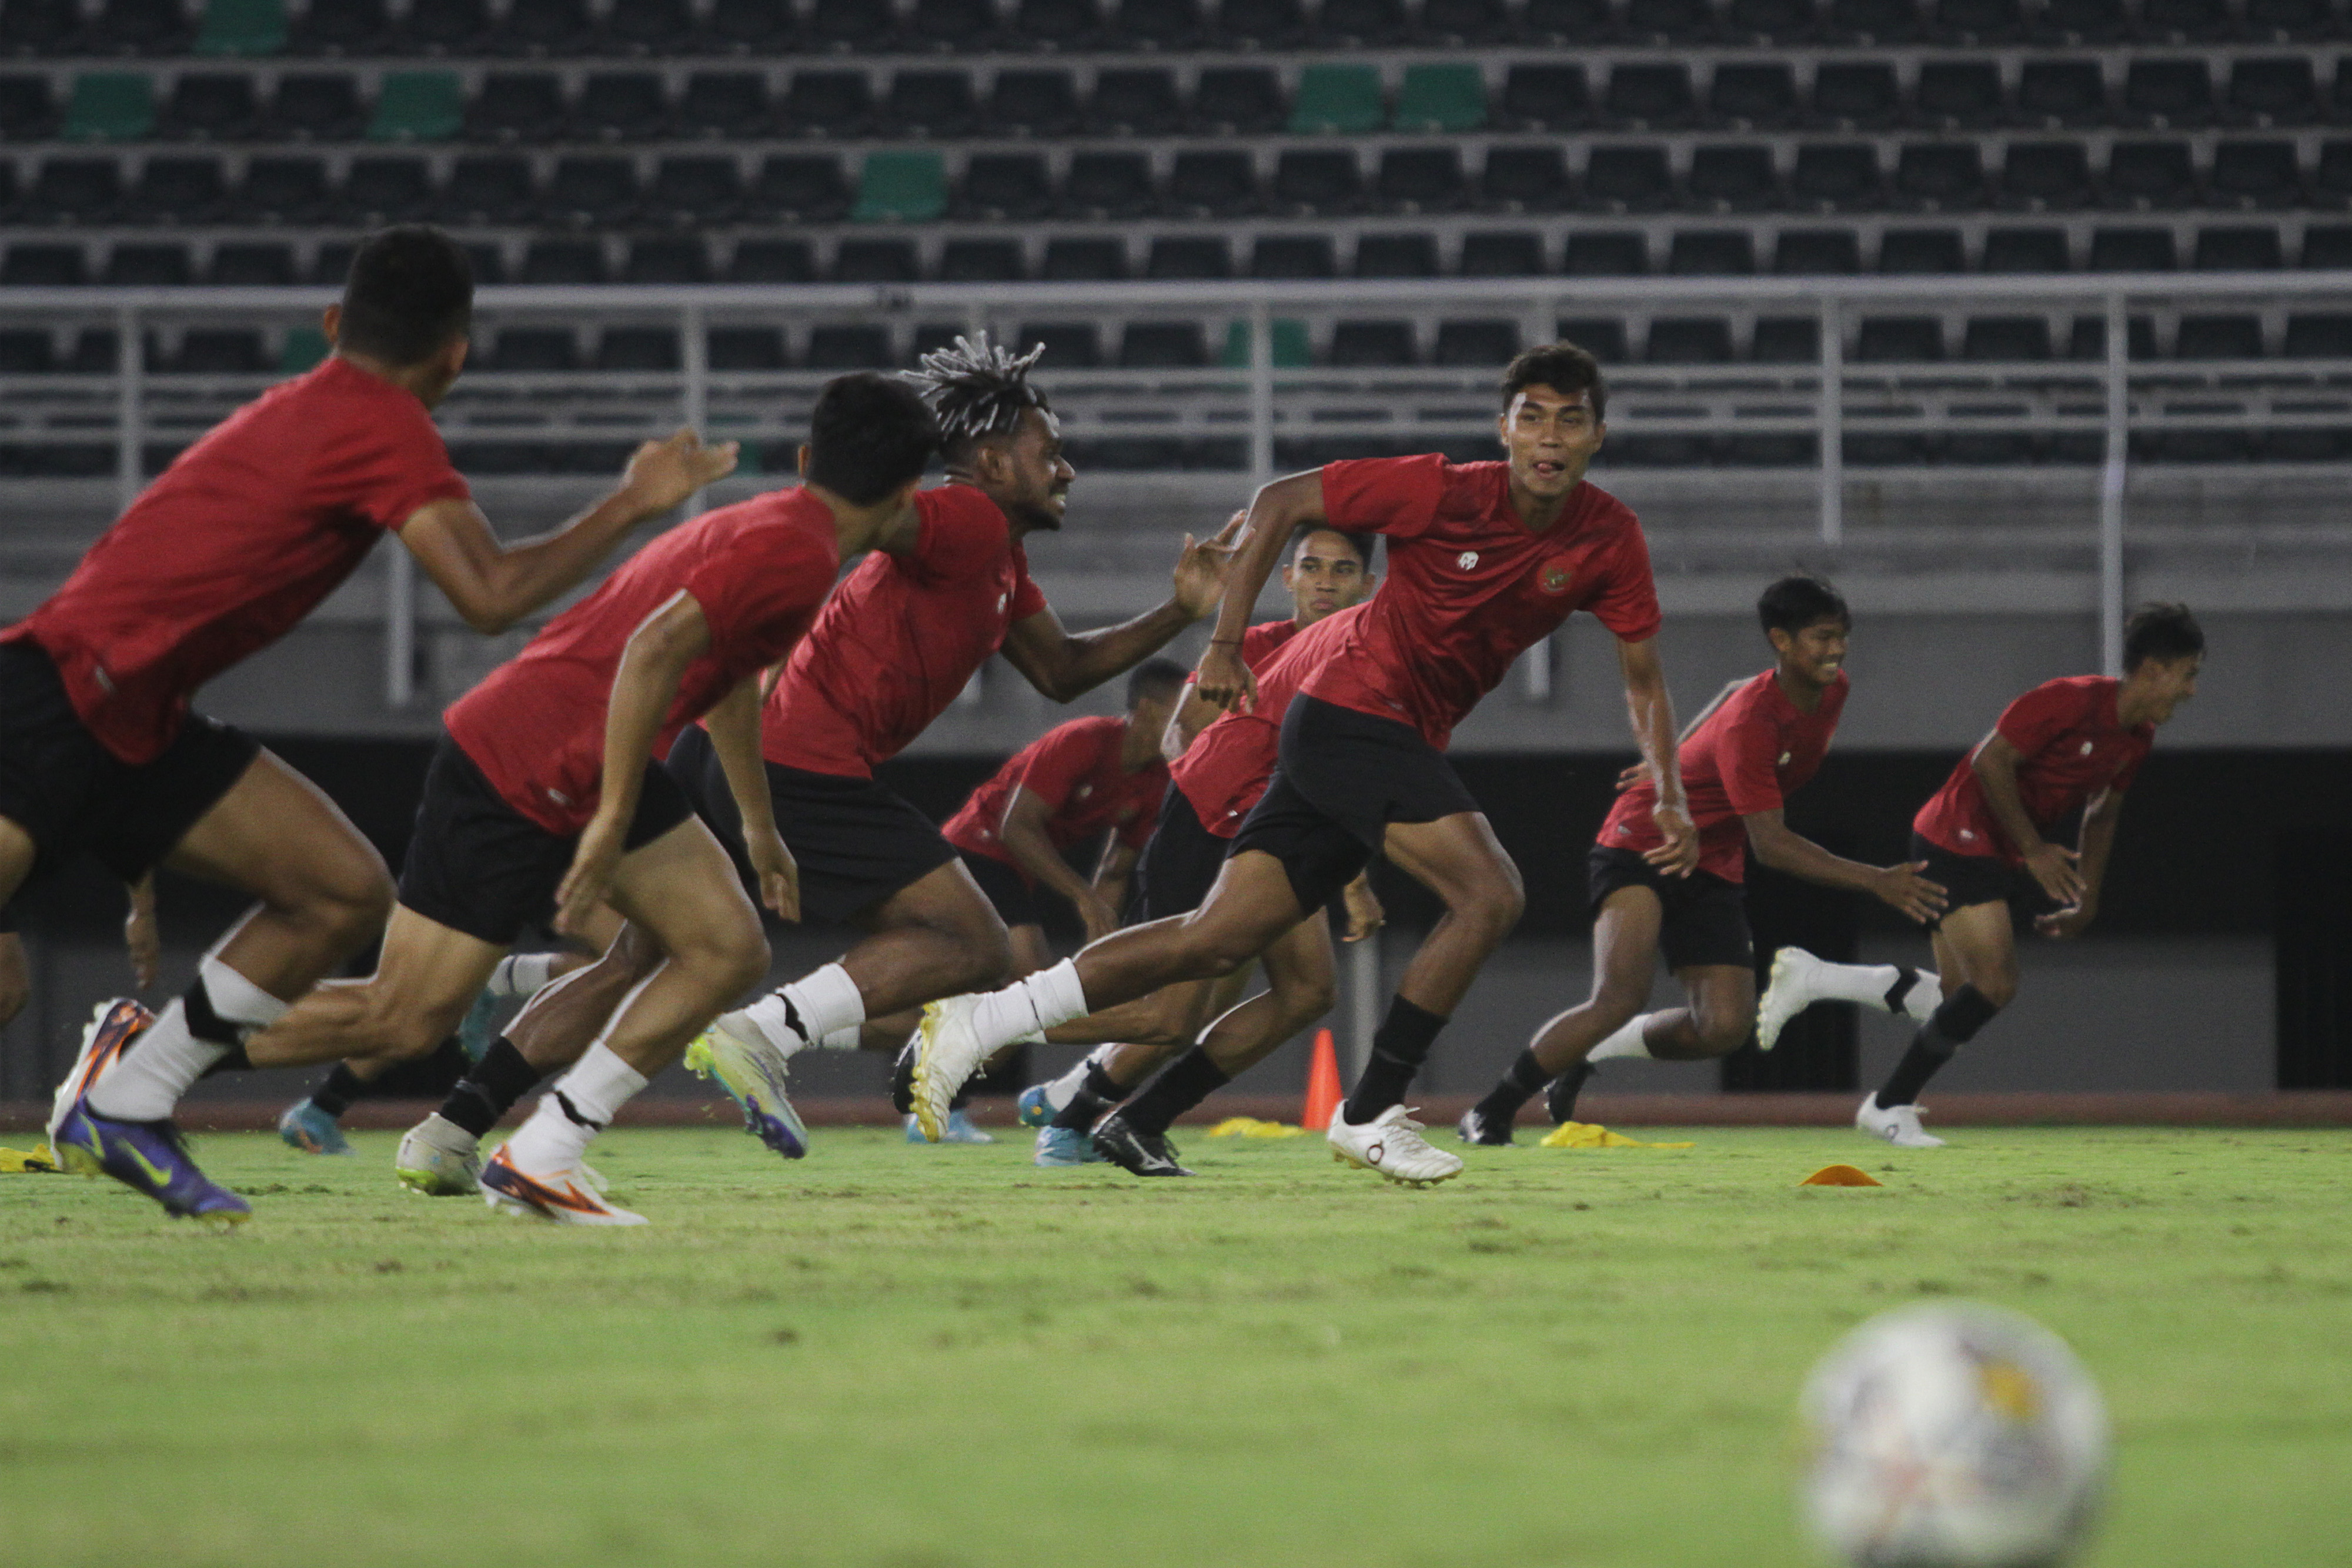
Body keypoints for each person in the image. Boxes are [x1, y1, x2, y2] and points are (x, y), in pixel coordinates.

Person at [393, 332, 1235, 1183]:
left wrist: (1177, 610)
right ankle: (761, 1034)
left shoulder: (999, 556)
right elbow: (871, 512)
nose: (1066, 469)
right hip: (800, 757)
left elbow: (1061, 671)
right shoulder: (966, 514)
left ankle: (453, 1124)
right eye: (1048, 451)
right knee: (972, 942)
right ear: (988, 458)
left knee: (639, 958)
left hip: (730, 744)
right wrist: (832, 502)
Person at [31, 225, 735, 1223]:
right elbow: (489, 595)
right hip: (63, 701)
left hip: (126, 707)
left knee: (344, 895)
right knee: (389, 981)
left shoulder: (302, 411)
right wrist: (633, 502)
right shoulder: (380, 422)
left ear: (331, 323)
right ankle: (138, 1067)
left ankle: (132, 1087)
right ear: (456, 352)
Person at [908, 340, 1699, 1188]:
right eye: (1531, 416)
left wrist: (1671, 788)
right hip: (1353, 716)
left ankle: (989, 1027)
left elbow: (1643, 675)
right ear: (1501, 428)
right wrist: (1219, 643)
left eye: (1569, 420)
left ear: (1597, 437)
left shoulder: (1610, 536)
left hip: (1370, 736)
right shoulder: (1441, 489)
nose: (1549, 437)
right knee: (1490, 893)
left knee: (1215, 943)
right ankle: (1369, 1111)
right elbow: (1281, 498)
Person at [213, 372, 940, 1224]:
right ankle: (157, 1047)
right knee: (403, 1018)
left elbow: (728, 674)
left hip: (572, 750)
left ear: (808, 456)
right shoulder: (797, 552)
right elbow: (651, 651)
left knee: (725, 945)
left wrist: (757, 819)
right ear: (906, 495)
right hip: (531, 759)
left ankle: (538, 1149)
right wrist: (605, 819)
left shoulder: (780, 529)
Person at [1458, 576, 1948, 1144]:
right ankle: (1491, 1110)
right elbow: (1772, 844)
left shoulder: (1828, 690)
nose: (1836, 649)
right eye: (1821, 637)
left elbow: (1733, 686)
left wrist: (1673, 755)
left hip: (1712, 858)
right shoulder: (1754, 724)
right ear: (1781, 641)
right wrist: (1877, 880)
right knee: (1618, 995)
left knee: (1724, 1029)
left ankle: (1590, 1052)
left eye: (1842, 636)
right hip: (1645, 839)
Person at [1758, 602, 2205, 1149]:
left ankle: (1816, 977)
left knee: (1956, 999)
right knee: (1995, 984)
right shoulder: (2068, 700)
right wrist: (2036, 849)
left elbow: (2103, 812)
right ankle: (1888, 1104)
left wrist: (2087, 897)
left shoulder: (2137, 737)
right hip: (1957, 834)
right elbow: (1990, 763)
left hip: (1994, 851)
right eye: (2189, 674)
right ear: (2155, 668)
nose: (2191, 690)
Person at [1017, 525, 1381, 1168]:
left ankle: (1130, 1116)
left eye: (1343, 570)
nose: (1326, 580)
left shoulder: (1362, 665)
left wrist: (1341, 873)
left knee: (1306, 992)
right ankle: (995, 1037)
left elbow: (1341, 782)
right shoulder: (1252, 647)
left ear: (1367, 585)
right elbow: (1178, 738)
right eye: (1313, 566)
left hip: (1278, 847)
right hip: (1213, 834)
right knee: (1169, 1015)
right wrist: (1239, 818)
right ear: (1288, 578)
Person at [913, 659, 1187, 1141]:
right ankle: (936, 1102)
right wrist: (1082, 898)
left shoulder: (1155, 780)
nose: (1191, 725)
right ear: (1146, 711)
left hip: (1017, 871)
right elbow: (1014, 827)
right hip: (975, 849)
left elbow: (1117, 868)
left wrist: (1107, 945)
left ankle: (935, 1104)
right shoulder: (1082, 740)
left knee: (1016, 1000)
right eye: (1182, 711)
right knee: (1029, 987)